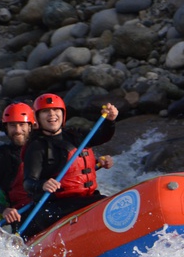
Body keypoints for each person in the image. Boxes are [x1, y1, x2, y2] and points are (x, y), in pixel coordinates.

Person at [20, 93, 117, 237]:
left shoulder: (75, 135)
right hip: (58, 206)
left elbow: (102, 136)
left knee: (107, 203)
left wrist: (110, 121)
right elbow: (28, 182)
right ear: (37, 118)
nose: (52, 115)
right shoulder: (37, 147)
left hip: (87, 199)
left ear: (63, 114)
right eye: (46, 111)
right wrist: (42, 185)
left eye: (56, 110)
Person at [0, 102, 35, 230]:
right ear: (6, 128)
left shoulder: (42, 147)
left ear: (30, 126)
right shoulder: (0, 157)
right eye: (12, 125)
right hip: (17, 213)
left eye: (22, 125)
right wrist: (4, 210)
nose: (17, 130)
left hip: (42, 206)